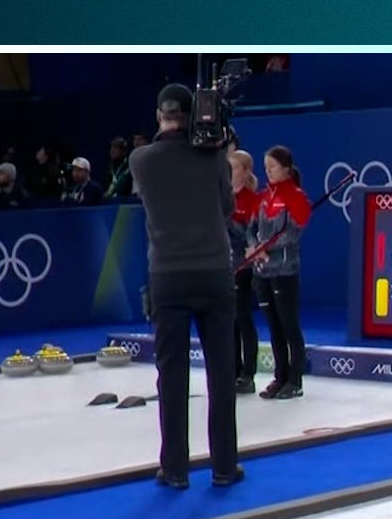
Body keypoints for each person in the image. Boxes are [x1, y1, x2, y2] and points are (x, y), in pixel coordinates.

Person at [128, 84, 242, 489]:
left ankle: (175, 469)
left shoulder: (140, 160)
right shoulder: (213, 161)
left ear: (159, 115)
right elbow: (227, 209)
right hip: (213, 273)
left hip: (168, 277)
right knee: (221, 373)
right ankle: (225, 466)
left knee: (172, 375)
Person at [249, 145, 311, 399]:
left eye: (272, 167)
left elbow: (293, 233)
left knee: (288, 325)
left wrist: (268, 248)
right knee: (273, 327)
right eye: (265, 168)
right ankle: (280, 376)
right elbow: (251, 228)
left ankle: (294, 379)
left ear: (286, 168)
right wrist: (254, 246)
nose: (268, 172)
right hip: (261, 271)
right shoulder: (264, 197)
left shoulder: (297, 197)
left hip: (284, 271)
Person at [227, 149, 261, 393]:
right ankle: (232, 370)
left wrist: (227, 221)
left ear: (245, 171)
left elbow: (251, 237)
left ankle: (248, 373)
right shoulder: (223, 197)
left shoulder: (253, 201)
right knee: (228, 322)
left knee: (243, 319)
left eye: (234, 168)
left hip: (244, 267)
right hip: (223, 266)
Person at [103, 137, 134, 202]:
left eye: (116, 148)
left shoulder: (129, 166)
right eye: (111, 148)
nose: (112, 151)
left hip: (126, 201)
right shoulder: (109, 167)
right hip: (110, 202)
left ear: (124, 152)